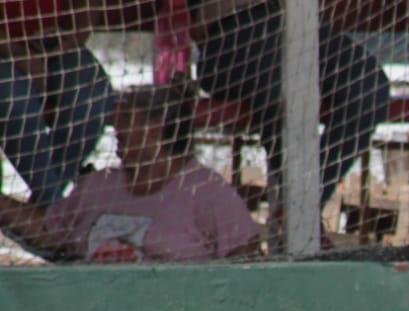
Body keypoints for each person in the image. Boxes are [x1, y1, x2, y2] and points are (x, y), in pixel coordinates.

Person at [0, 79, 261, 262]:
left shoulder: (205, 190)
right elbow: (48, 232)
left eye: (125, 118)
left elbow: (246, 261)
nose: (116, 128)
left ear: (155, 127)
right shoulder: (98, 185)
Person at [188, 0, 391, 211]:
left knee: (369, 85)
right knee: (281, 90)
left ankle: (306, 205)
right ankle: (299, 209)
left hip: (298, 22)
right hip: (235, 29)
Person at [0, 0, 116, 207]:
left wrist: (72, 38)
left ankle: (47, 206)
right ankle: (53, 206)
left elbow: (88, 7)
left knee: (91, 97)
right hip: (5, 49)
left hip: (51, 44)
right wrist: (19, 54)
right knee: (15, 101)